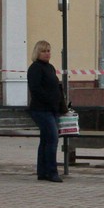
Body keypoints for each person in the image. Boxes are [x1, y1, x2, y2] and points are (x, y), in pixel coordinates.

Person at [27, 40, 65, 183]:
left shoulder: (50, 68)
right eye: (44, 51)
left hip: (52, 109)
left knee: (46, 140)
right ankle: (51, 172)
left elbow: (55, 87)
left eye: (49, 50)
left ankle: (42, 172)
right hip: (41, 110)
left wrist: (60, 103)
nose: (47, 53)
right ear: (38, 52)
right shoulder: (35, 68)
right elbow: (36, 89)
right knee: (52, 140)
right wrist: (50, 100)